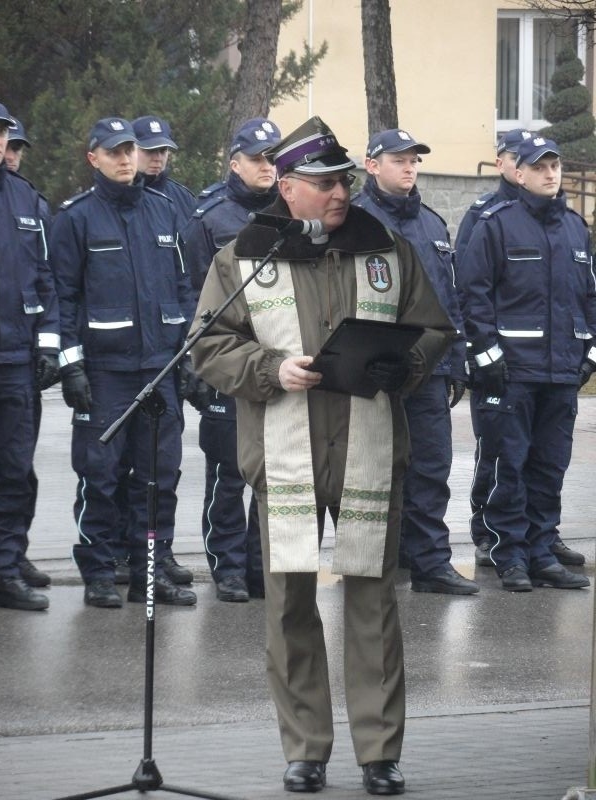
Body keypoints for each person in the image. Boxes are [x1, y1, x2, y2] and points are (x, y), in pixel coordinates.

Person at [190, 115, 454, 795]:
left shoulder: (387, 249)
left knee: (374, 601)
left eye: (343, 180)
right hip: (285, 453)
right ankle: (305, 747)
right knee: (289, 605)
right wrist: (271, 369)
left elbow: (432, 328)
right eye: (325, 182)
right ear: (287, 187)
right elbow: (209, 347)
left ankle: (379, 753)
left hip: (368, 446)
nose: (340, 192)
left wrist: (406, 365)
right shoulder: (245, 257)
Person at [49, 117, 198, 608]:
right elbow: (62, 299)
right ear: (93, 158)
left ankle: (148, 573)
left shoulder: (163, 211)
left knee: (160, 477)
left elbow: (181, 288)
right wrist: (71, 367)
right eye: (114, 151)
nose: (126, 158)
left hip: (159, 369)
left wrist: (186, 356)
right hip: (106, 374)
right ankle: (97, 571)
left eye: (130, 149)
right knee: (101, 474)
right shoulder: (75, 218)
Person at [456, 135, 593, 592]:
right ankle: (508, 552)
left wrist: (589, 352)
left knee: (549, 466)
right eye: (540, 167)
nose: (550, 174)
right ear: (519, 173)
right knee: (507, 465)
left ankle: (540, 552)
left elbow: (589, 297)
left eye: (555, 166)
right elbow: (473, 295)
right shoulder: (496, 224)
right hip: (513, 372)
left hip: (560, 373)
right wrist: (488, 356)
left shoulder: (576, 227)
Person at [353, 128, 477, 596]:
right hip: (373, 369)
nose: (409, 168)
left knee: (429, 467)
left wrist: (456, 362)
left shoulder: (431, 223)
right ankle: (367, 563)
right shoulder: (355, 220)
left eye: (414, 161)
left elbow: (450, 299)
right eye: (399, 160)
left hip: (427, 369)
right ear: (372, 165)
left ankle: (429, 563)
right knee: (369, 469)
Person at [183, 117, 281, 602]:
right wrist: (196, 365)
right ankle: (227, 567)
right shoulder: (210, 218)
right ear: (235, 162)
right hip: (227, 362)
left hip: (277, 362)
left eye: (273, 158)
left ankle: (262, 568)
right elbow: (190, 299)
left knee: (273, 472)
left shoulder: (289, 213)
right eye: (258, 159)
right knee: (227, 473)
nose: (267, 167)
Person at [0, 101, 60, 612]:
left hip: (14, 359)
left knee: (14, 469)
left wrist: (47, 344)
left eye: (2, 133)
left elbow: (46, 279)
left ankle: (5, 563)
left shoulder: (26, 201)